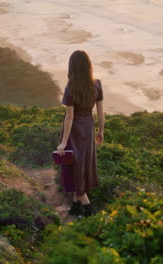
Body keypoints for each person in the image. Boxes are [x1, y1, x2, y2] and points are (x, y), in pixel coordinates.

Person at [56, 50, 105, 217]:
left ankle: (89, 209)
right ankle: (76, 206)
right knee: (82, 165)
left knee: (74, 167)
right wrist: (101, 131)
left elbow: (69, 117)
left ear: (72, 67)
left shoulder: (71, 88)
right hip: (88, 129)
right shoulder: (97, 84)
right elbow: (100, 114)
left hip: (75, 131)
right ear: (88, 66)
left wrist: (63, 142)